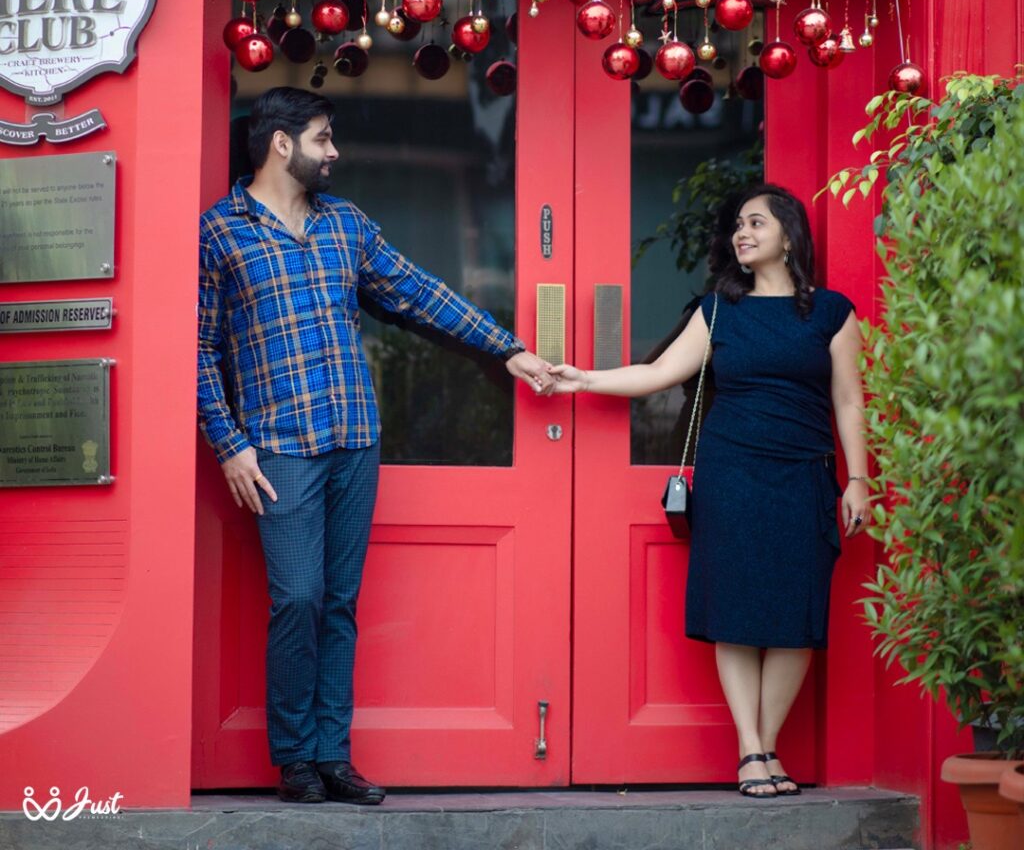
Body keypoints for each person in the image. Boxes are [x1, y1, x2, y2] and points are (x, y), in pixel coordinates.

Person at [197, 87, 552, 805]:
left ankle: (333, 755)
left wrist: (507, 349)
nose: (336, 153)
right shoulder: (220, 234)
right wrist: (229, 442)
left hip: (355, 437)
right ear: (281, 144)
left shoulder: (347, 226)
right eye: (324, 139)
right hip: (278, 446)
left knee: (340, 601)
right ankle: (295, 758)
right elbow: (198, 349)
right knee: (298, 597)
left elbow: (421, 294)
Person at [546, 183, 869, 798]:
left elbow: (849, 401)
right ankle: (752, 751)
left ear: (789, 235)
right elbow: (659, 373)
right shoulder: (718, 309)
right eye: (738, 227)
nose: (742, 234)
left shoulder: (831, 312)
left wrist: (858, 479)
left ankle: (766, 744)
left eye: (756, 223)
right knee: (737, 612)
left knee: (797, 618)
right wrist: (581, 378)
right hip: (733, 473)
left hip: (804, 474)